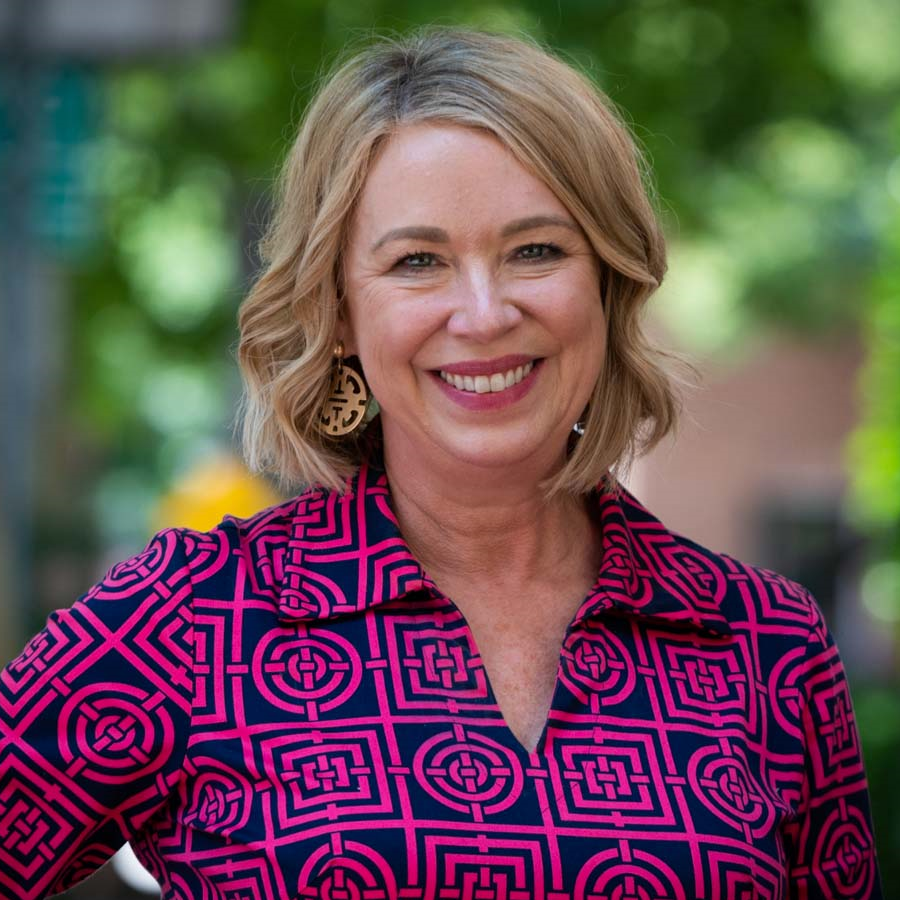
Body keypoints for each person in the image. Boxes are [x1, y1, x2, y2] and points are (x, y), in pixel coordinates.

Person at [0, 27, 882, 900]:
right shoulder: (187, 622)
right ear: (340, 310)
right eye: (417, 262)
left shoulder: (765, 644)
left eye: (536, 250)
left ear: (608, 284)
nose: (484, 312)